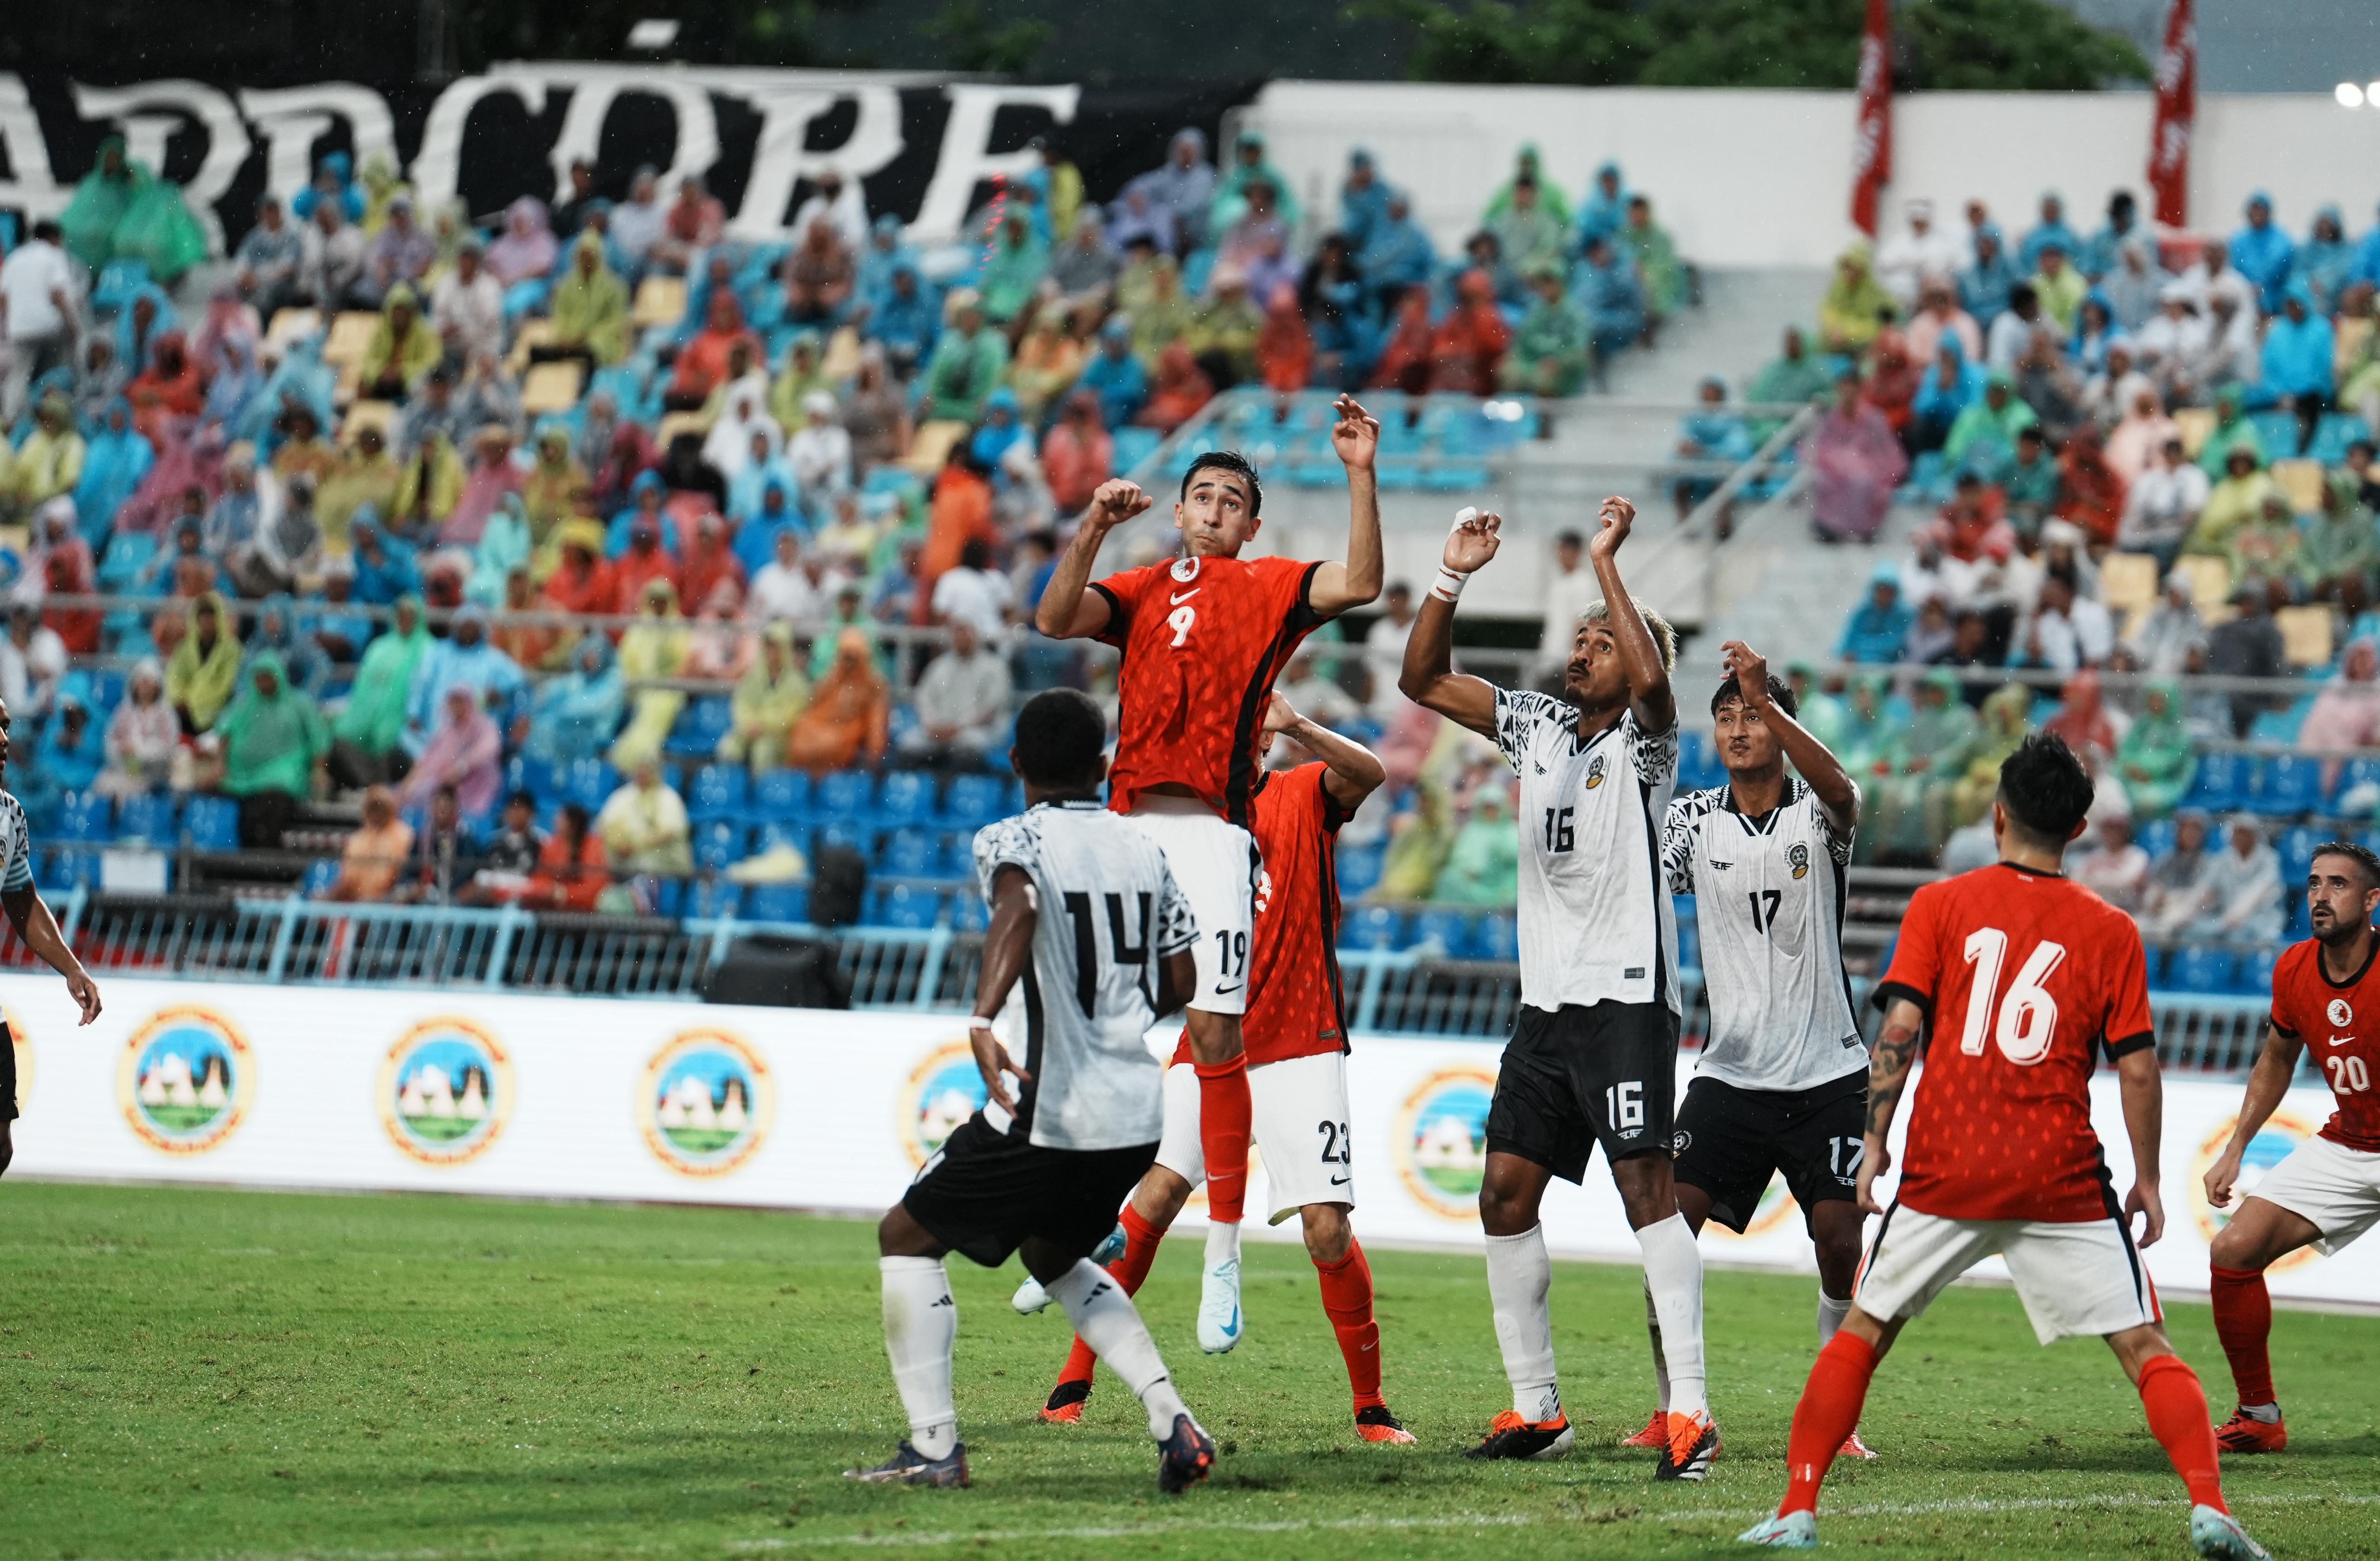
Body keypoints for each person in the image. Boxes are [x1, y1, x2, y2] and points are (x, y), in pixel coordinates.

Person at [1737, 734, 2262, 1560]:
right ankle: (2210, 1507)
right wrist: (2150, 1180)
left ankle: (1797, 1508)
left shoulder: (1940, 904)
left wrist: (1874, 1143)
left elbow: (1900, 1030)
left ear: (1997, 814)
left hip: (1948, 1160)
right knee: (2143, 1344)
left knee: (1864, 1329)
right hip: (2059, 1169)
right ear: (2079, 828)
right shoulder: (2112, 929)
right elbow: (2138, 1068)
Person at [1033, 398, 1384, 1354]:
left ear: (1251, 524)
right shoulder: (1143, 586)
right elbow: (1054, 616)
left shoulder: (1271, 584)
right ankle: (1075, 1216)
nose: (1215, 509)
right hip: (1123, 829)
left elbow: (1360, 582)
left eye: (1233, 500)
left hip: (1209, 833)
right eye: (1203, 496)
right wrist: (1094, 525)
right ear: (1181, 509)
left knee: (1214, 1032)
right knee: (1086, 1015)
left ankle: (1221, 1254)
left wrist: (1359, 471)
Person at [1398, 498, 1713, 1480]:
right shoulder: (1536, 724)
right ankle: (1539, 1408)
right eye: (1579, 639)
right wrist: (1452, 577)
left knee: (1644, 1191)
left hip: (1626, 998)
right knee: (1502, 1193)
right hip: (1546, 1005)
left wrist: (1610, 563)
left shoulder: (1648, 743)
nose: (1582, 652)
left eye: (1601, 642)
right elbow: (1421, 679)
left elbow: (1655, 685)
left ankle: (1691, 1410)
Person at [1025, 687, 1412, 1444]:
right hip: (1209, 1036)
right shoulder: (1187, 823)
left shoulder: (1303, 793)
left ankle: (1371, 1406)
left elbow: (1368, 774)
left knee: (1326, 1230)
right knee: (1158, 1193)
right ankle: (1072, 1381)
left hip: (1301, 1041)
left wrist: (1300, 723)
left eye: (1251, 728)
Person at [855, 688, 1211, 1491]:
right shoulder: (1145, 848)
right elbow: (1185, 976)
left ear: (1016, 761)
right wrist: (1117, 1012)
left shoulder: (1009, 837)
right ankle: (1174, 1421)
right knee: (1051, 1253)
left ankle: (936, 1451)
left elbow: (1017, 902)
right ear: (1104, 765)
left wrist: (984, 1015)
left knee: (905, 1235)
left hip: (1052, 1102)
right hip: (1135, 1109)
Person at [1654, 643, 1873, 1459]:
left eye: (1753, 714)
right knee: (1666, 1228)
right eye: (1727, 716)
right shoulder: (1692, 821)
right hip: (1732, 1072)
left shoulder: (1818, 814)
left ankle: (1836, 1419)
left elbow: (1846, 793)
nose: (1738, 728)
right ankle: (1672, 1406)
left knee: (1839, 1239)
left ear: (1781, 727)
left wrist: (1770, 700)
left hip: (1829, 1070)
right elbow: (1643, 880)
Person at [2202, 841, 2380, 1458]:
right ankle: (2259, 1417)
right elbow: (2277, 1059)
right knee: (2233, 1250)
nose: (2320, 897)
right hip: (2350, 1140)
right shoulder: (2294, 967)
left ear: (2372, 900)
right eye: (2313, 883)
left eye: (2338, 884)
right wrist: (2236, 1146)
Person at [216, 651, 329, 850]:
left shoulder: (299, 704)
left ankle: (268, 854)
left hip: (283, 772)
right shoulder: (244, 704)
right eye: (259, 678)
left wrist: (319, 770)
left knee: (272, 804)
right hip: (244, 775)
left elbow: (318, 738)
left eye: (268, 677)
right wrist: (220, 764)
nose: (263, 683)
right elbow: (225, 733)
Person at [328, 594, 429, 788]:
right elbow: (363, 689)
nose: (405, 621)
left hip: (405, 726)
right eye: (401, 616)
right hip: (369, 720)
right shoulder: (379, 648)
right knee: (343, 740)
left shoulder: (427, 649)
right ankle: (370, 787)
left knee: (392, 746)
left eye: (410, 617)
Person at [899, 618, 1012, 771]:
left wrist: (957, 729)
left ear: (976, 635)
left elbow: (991, 709)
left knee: (971, 746)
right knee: (908, 745)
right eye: (958, 632)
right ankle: (925, 785)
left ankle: (956, 784)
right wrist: (932, 726)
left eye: (966, 632)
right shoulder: (939, 665)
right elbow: (924, 700)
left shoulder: (994, 666)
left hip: (976, 731)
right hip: (938, 731)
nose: (962, 637)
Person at [786, 626, 891, 774]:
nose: (850, 663)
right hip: (825, 728)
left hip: (847, 733)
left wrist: (875, 747)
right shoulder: (832, 680)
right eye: (846, 657)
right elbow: (816, 708)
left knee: (829, 745)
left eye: (854, 658)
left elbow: (876, 720)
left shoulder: (872, 686)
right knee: (801, 738)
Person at [595, 759, 692, 875]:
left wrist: (635, 847)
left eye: (647, 770)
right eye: (640, 770)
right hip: (626, 857)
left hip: (663, 860)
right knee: (602, 859)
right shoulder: (622, 796)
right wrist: (619, 844)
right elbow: (606, 826)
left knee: (645, 863)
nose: (642, 773)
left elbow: (667, 833)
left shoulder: (669, 797)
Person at [322, 784, 413, 903]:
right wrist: (328, 896)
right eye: (373, 808)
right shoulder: (357, 840)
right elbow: (347, 882)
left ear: (390, 809)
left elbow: (398, 879)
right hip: (359, 902)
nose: (377, 813)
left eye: (381, 807)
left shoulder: (404, 835)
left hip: (389, 902)